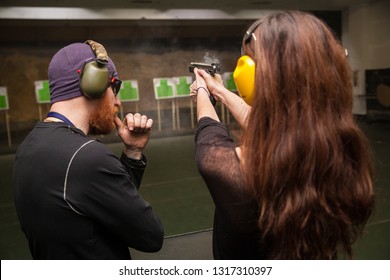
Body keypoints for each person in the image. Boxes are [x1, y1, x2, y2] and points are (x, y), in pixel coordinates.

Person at [190, 11, 375, 259]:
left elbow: (208, 132)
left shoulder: (234, 171)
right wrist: (219, 91)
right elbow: (271, 124)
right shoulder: (342, 150)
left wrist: (202, 90)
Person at [13, 40, 164, 259]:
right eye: (115, 87)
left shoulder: (29, 146)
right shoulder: (86, 156)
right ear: (95, 83)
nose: (118, 102)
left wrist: (132, 152)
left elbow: (102, 204)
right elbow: (151, 236)